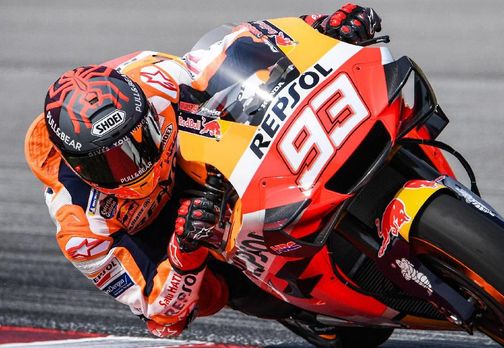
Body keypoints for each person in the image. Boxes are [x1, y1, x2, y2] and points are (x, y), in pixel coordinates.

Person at [24, 4, 381, 340]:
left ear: (145, 113)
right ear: (76, 164)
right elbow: (161, 320)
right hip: (170, 234)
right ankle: (297, 304)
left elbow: (235, 47)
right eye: (111, 162)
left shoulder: (154, 81)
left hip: (197, 159)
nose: (133, 166)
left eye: (138, 141)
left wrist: (321, 28)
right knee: (216, 292)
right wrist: (185, 250)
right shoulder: (82, 229)